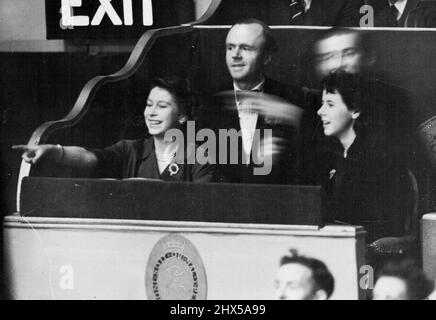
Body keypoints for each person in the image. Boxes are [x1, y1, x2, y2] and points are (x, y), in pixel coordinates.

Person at [13, 76, 215, 183]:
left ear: (182, 115)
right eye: (149, 104)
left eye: (162, 106)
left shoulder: (199, 156)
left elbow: (201, 206)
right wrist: (53, 150)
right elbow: (90, 158)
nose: (151, 113)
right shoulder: (130, 150)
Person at [200, 18, 304, 185]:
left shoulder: (292, 100)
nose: (235, 55)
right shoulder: (208, 102)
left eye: (245, 48)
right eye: (230, 47)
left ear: (267, 57)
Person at [317, 71, 412, 243]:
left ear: (355, 110)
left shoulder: (377, 160)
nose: (320, 111)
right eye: (322, 104)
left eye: (330, 104)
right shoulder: (335, 157)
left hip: (367, 257)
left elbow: (384, 228)